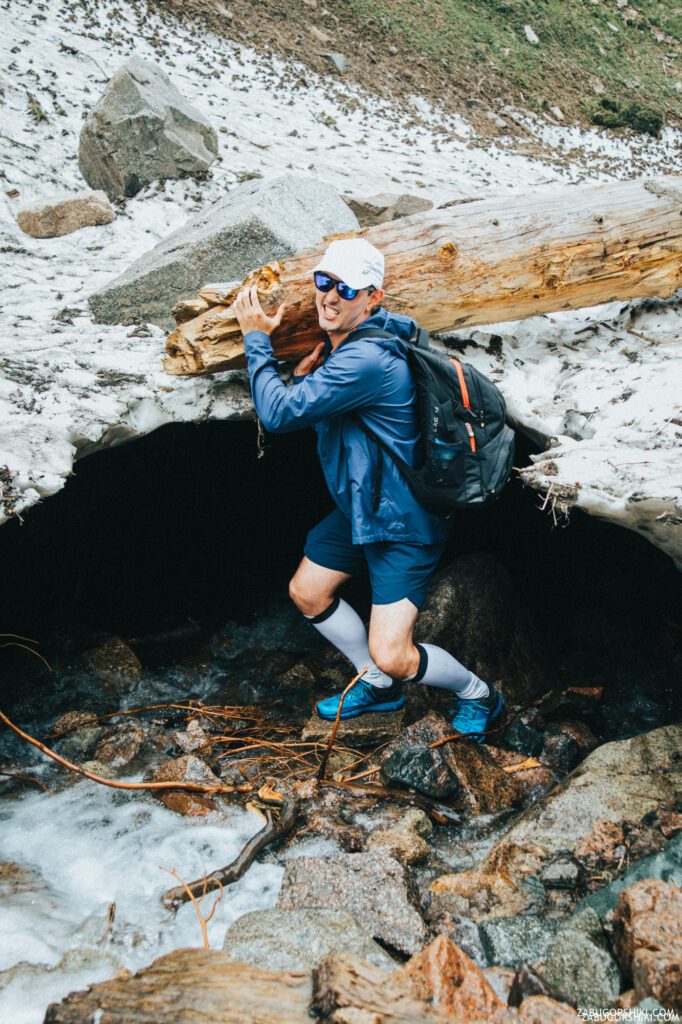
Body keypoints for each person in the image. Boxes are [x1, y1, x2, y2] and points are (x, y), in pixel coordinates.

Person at [233, 237, 502, 741]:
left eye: (346, 289)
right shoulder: (351, 350)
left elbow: (276, 414)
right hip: (362, 504)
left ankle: (477, 693)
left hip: (404, 521)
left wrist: (256, 340)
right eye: (323, 282)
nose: (329, 298)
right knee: (307, 592)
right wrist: (304, 382)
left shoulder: (367, 360)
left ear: (373, 298)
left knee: (395, 653)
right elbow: (339, 426)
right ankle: (379, 685)